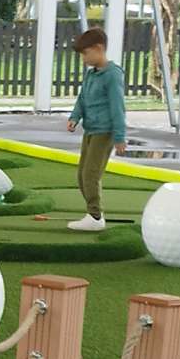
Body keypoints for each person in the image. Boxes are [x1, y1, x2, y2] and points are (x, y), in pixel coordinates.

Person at [63, 25, 126, 230]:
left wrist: (120, 136)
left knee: (91, 174)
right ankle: (93, 215)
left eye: (86, 53)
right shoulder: (91, 75)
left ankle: (95, 217)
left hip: (104, 132)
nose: (83, 59)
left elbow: (118, 107)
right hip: (90, 130)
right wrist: (75, 117)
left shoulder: (112, 75)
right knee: (82, 175)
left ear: (99, 48)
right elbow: (82, 98)